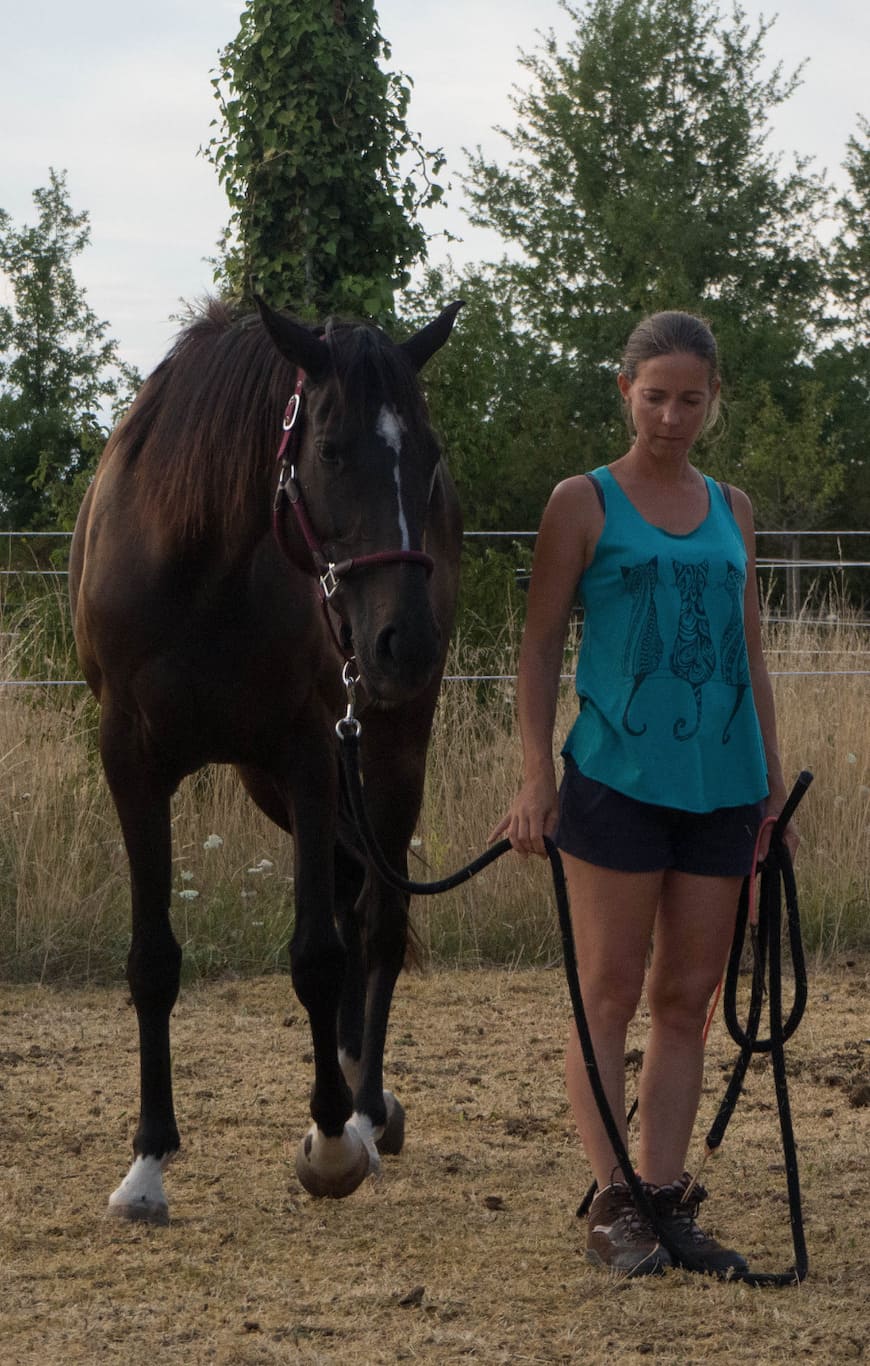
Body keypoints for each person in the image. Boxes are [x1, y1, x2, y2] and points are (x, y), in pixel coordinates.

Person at [493, 311, 798, 1279]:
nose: (672, 415)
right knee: (610, 993)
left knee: (688, 997)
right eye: (656, 394)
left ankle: (664, 1196)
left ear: (714, 401)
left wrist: (771, 780)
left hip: (723, 784)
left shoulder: (733, 508)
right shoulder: (582, 502)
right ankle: (615, 1198)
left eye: (691, 398)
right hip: (616, 780)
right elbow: (540, 646)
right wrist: (537, 777)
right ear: (624, 389)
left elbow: (749, 651)